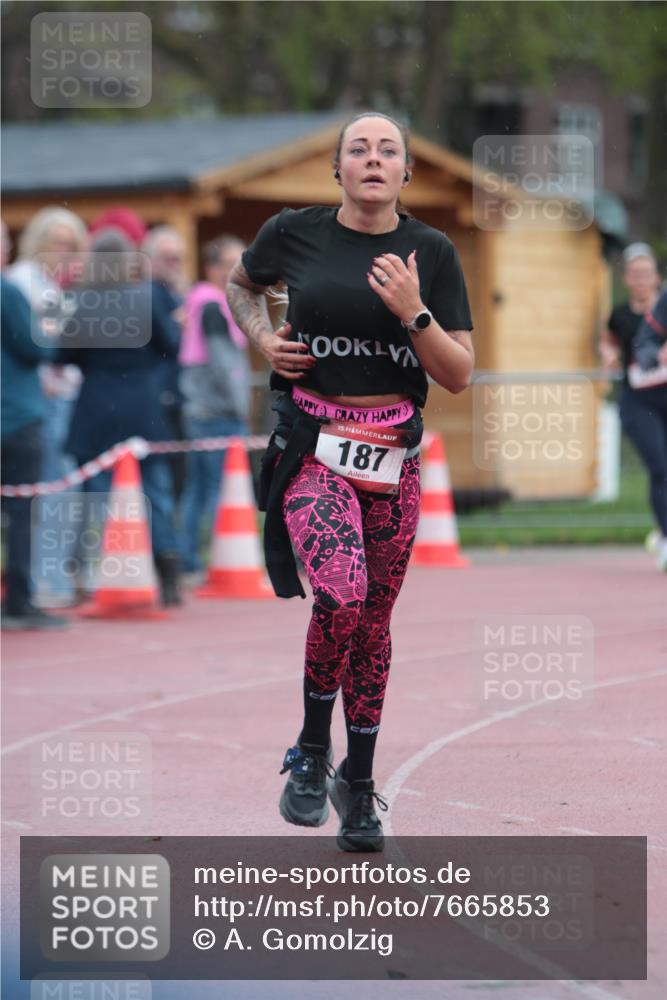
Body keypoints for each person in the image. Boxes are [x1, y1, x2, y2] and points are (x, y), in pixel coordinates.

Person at [227, 112, 474, 852]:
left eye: (388, 150)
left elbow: (458, 374)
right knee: (339, 593)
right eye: (358, 149)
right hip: (313, 445)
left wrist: (413, 312)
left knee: (371, 626)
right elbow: (245, 288)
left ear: (405, 173)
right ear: (337, 170)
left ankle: (358, 785)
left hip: (393, 457)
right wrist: (264, 335)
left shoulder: (430, 251)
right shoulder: (293, 233)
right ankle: (309, 751)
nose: (373, 159)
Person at [60, 229, 183, 606]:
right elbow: (172, 345)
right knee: (155, 491)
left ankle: (107, 575)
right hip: (143, 407)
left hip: (96, 406)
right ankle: (168, 574)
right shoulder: (146, 297)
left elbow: (61, 356)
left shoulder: (83, 302)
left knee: (100, 493)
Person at [6, 207, 88, 605]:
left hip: (61, 400)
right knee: (47, 495)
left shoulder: (52, 287)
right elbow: (30, 344)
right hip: (37, 404)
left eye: (72, 245)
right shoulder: (21, 282)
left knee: (63, 493)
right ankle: (41, 583)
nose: (66, 252)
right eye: (59, 243)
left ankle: (53, 579)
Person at [1, 220, 68, 630]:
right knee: (23, 511)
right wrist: (50, 330)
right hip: (17, 416)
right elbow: (35, 347)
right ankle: (20, 599)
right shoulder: (8, 292)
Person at [179, 236, 251, 576]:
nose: (238, 270)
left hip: (200, 409)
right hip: (217, 411)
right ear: (213, 268)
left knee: (198, 488)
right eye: (230, 263)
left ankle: (189, 558)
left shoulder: (200, 301)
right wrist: (242, 407)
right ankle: (214, 561)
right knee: (218, 492)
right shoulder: (212, 305)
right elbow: (225, 366)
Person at [599, 243, 667, 571]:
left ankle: (660, 532)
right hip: (639, 400)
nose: (640, 280)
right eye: (634, 274)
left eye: (646, 273)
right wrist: (608, 354)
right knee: (660, 468)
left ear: (658, 278)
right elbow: (608, 338)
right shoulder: (621, 314)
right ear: (626, 279)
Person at [142, 226, 189, 502]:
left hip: (174, 395)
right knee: (166, 474)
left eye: (178, 258)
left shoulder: (173, 294)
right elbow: (169, 343)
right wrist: (179, 325)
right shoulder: (151, 294)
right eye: (167, 258)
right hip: (160, 397)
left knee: (177, 472)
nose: (174, 264)